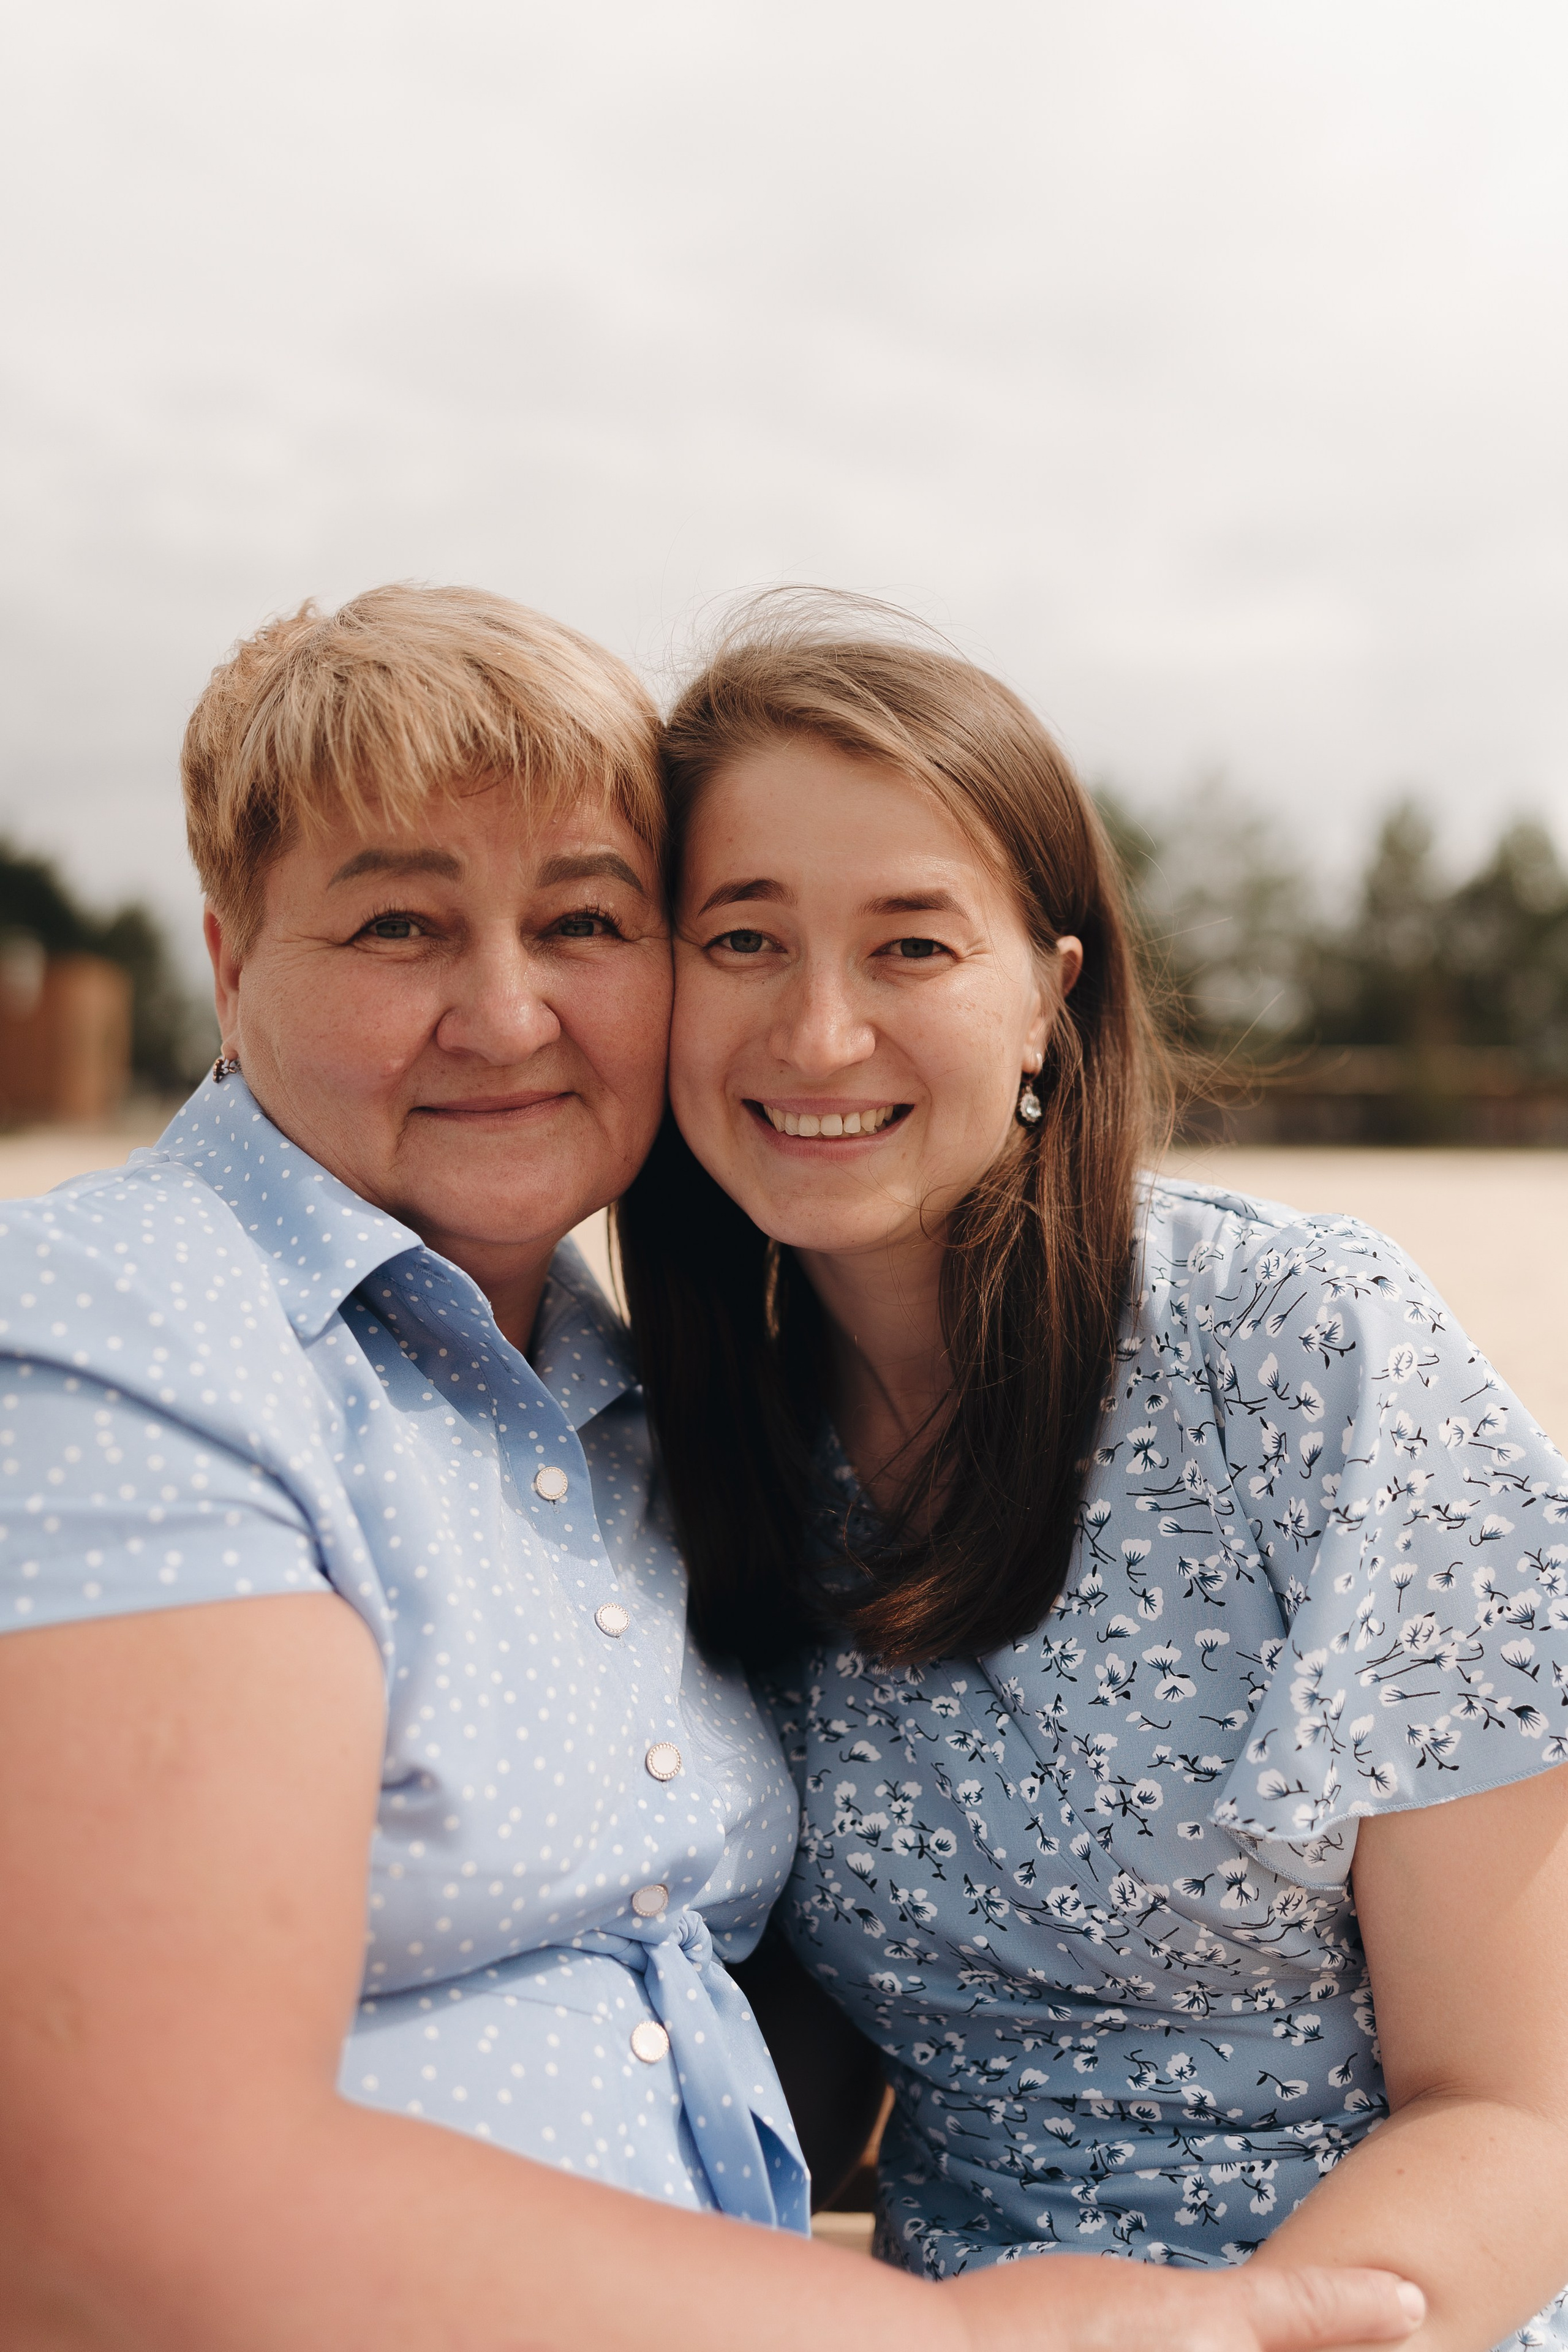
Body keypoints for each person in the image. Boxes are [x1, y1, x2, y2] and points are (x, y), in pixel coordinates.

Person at [0, 584, 1424, 2352]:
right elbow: (131, 2203)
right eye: (394, 928)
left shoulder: (642, 1406)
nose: (507, 1012)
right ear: (227, 967)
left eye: (585, 920)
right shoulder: (136, 1329)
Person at [616, 594, 1568, 2352]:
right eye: (744, 942)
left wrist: (1253, 2328)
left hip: (1386, 2305)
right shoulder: (674, 1432)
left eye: (913, 947)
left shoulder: (1302, 1349)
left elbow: (1514, 2110)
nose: (821, 1035)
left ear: (1052, 996)